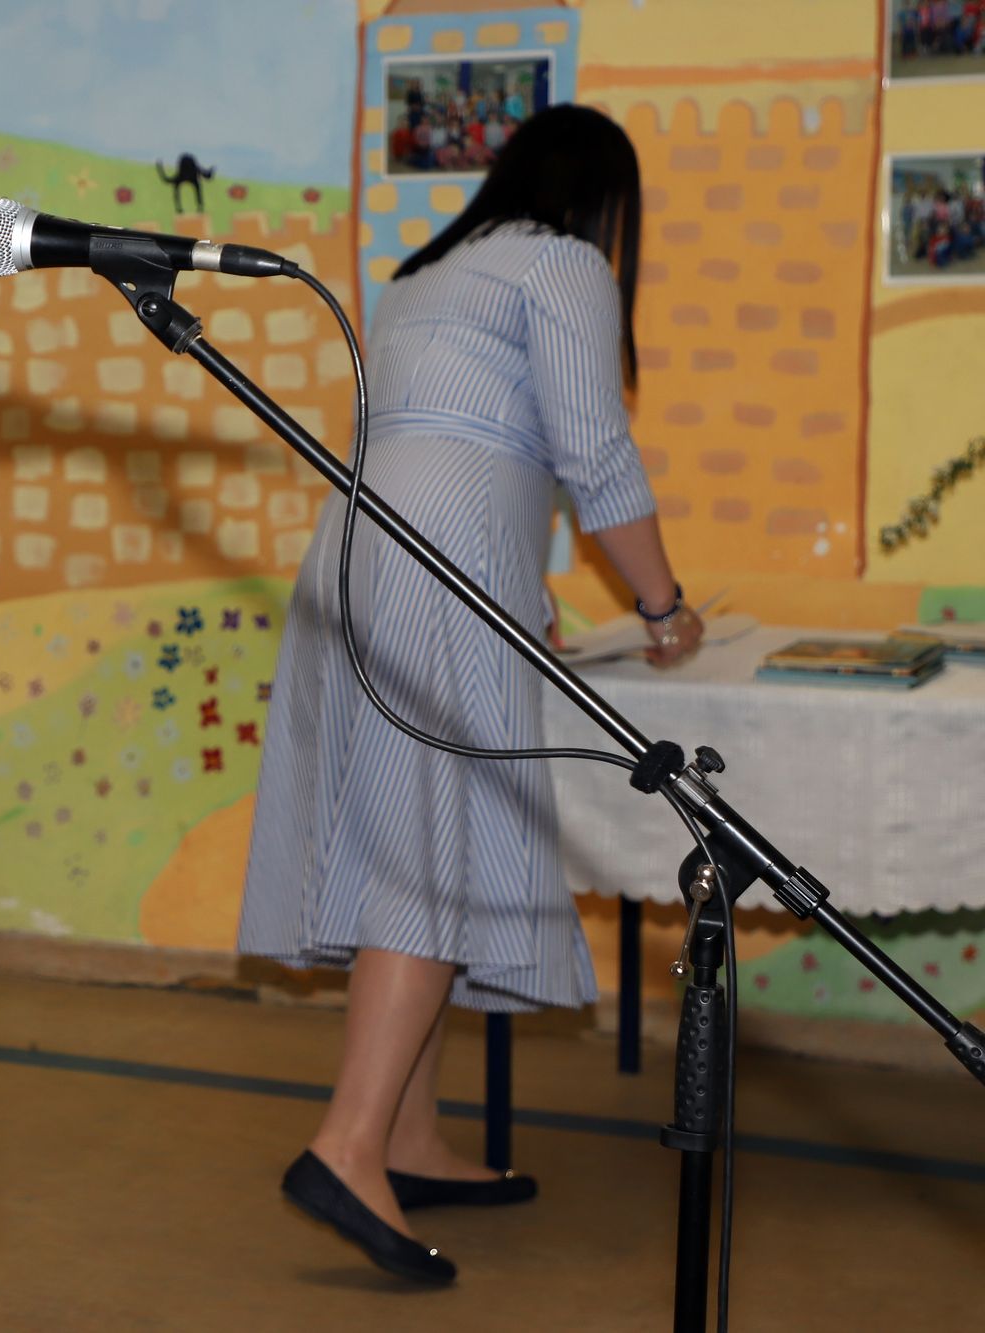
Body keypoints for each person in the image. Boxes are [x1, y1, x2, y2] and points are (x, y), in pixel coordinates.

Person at [239, 105, 701, 1285]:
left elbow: (456, 436)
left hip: (359, 543)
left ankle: (406, 1135)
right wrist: (661, 605)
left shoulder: (418, 275)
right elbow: (590, 451)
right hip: (438, 558)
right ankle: (348, 1143)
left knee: (408, 830)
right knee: (425, 852)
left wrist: (519, 586)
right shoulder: (561, 264)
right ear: (599, 201)